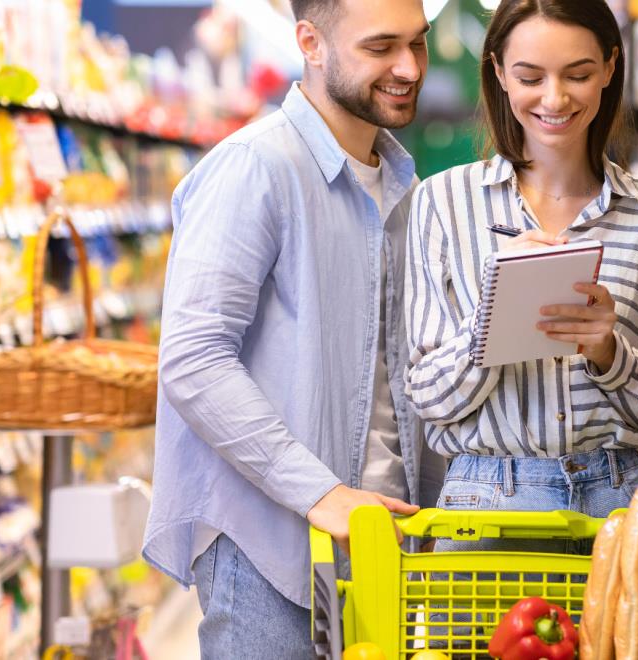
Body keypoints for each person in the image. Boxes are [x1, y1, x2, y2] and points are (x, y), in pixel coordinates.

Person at [142, 0, 443, 656]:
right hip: (270, 548)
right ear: (311, 41)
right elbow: (194, 359)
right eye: (381, 47)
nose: (408, 67)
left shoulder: (404, 187)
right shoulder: (256, 167)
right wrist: (322, 493)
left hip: (381, 542)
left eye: (417, 44)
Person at [405, 0, 638, 532]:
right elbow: (427, 397)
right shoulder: (443, 203)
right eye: (530, 77)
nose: (555, 98)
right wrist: (494, 317)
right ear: (498, 72)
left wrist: (610, 355)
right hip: (483, 503)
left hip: (618, 504)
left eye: (578, 74)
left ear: (610, 67)